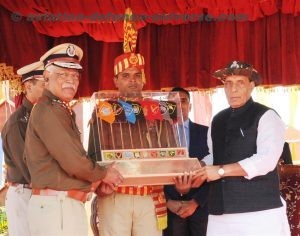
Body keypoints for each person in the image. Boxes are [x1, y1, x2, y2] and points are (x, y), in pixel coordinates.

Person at [24, 43, 123, 236]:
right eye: (63, 75)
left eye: (75, 76)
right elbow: (74, 162)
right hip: (57, 208)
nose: (71, 81)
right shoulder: (49, 110)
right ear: (46, 78)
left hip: (60, 207)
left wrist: (95, 184)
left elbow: (67, 165)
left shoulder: (58, 109)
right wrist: (103, 174)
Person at [193, 61, 290, 236]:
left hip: (259, 212)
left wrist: (221, 171)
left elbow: (266, 160)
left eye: (240, 83)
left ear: (251, 86)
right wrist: (196, 169)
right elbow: (214, 157)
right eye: (228, 83)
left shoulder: (267, 116)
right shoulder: (217, 120)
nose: (233, 89)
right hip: (220, 213)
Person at [1, 61, 46, 236]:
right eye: (44, 84)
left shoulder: (43, 116)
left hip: (39, 193)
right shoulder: (18, 122)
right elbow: (26, 165)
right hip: (25, 193)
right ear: (28, 85)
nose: (48, 89)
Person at [164, 87, 209, 236]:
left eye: (182, 101)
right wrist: (168, 201)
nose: (178, 105)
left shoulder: (206, 133)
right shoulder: (156, 135)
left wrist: (196, 202)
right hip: (170, 207)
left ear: (189, 106)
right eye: (172, 102)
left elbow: (213, 168)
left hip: (200, 207)